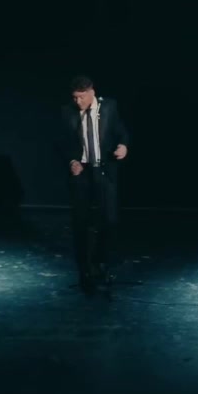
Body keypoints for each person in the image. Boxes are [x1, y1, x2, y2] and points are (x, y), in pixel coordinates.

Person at [59, 75, 130, 293]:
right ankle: (85, 268)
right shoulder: (67, 112)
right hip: (82, 172)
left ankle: (101, 262)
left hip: (104, 171)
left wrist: (123, 146)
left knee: (109, 219)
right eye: (74, 97)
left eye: (81, 97)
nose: (77, 101)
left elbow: (121, 131)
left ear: (91, 92)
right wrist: (72, 161)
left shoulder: (109, 107)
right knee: (81, 222)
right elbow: (62, 143)